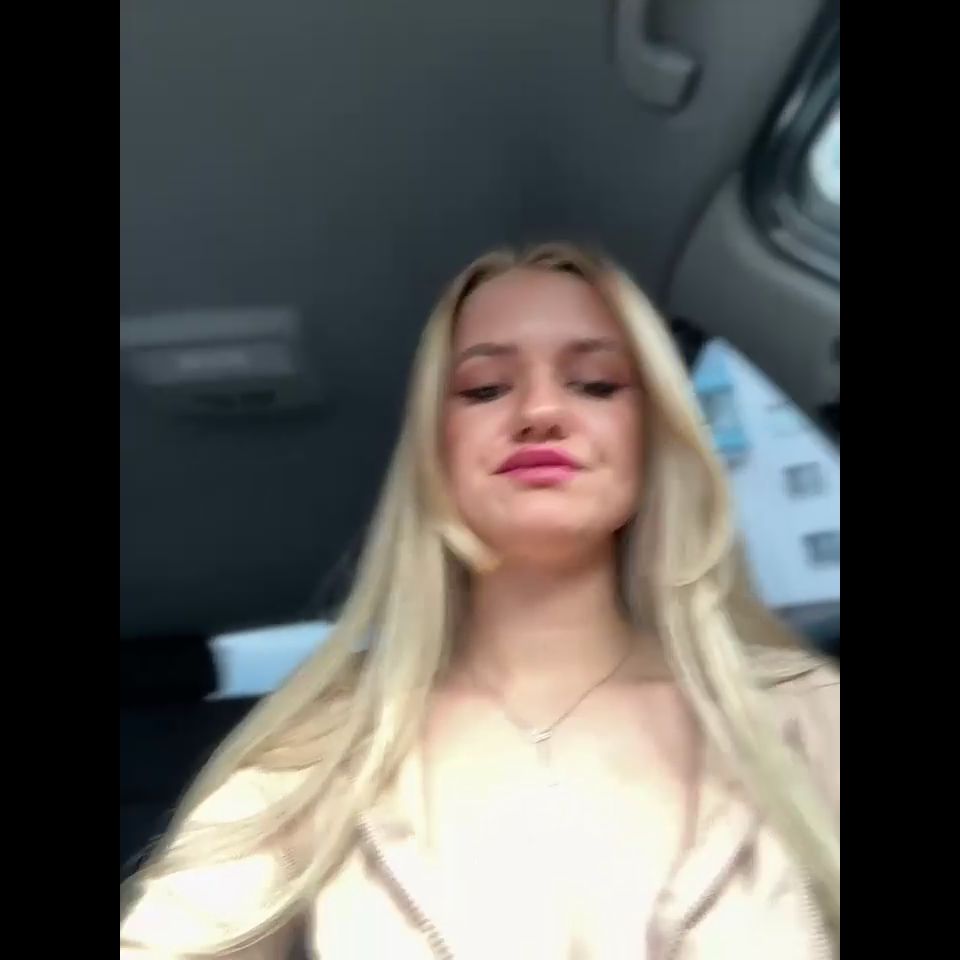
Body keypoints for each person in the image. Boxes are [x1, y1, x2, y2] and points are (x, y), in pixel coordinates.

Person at [120, 244, 839, 959]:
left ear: (653, 438)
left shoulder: (806, 715)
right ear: (436, 450)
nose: (540, 411)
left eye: (595, 383)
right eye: (485, 389)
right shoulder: (319, 752)